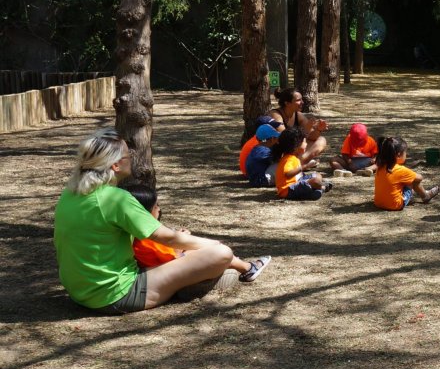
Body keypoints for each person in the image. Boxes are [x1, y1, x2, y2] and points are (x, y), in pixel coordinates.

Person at [53, 128, 242, 314]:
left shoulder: (69, 194)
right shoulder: (115, 198)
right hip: (117, 295)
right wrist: (212, 243)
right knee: (221, 253)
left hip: (79, 293)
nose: (132, 159)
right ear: (115, 165)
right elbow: (166, 238)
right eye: (128, 156)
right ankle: (190, 285)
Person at [123, 184, 271, 282]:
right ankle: (247, 268)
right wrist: (180, 246)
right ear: (146, 212)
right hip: (164, 275)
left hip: (158, 270)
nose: (159, 209)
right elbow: (171, 260)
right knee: (208, 252)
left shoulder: (131, 232)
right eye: (156, 206)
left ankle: (243, 266)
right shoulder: (147, 237)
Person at [373, 137, 439, 210]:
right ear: (398, 155)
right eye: (405, 153)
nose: (406, 155)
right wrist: (410, 174)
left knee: (403, 180)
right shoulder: (400, 170)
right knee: (413, 180)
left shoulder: (380, 166)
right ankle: (425, 196)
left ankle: (414, 192)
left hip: (378, 203)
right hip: (395, 205)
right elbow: (419, 178)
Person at [270, 88, 328, 168]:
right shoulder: (276, 115)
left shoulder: (298, 115)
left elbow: (312, 136)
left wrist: (318, 129)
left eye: (302, 99)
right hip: (279, 151)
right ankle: (297, 165)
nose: (302, 102)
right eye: (298, 100)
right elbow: (285, 139)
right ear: (287, 103)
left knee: (321, 140)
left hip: (292, 151)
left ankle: (299, 163)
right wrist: (305, 130)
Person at [273, 128, 332, 200]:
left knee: (317, 175)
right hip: (288, 190)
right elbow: (288, 174)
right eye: (304, 142)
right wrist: (306, 166)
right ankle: (322, 188)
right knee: (315, 181)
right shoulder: (288, 159)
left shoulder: (294, 157)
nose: (306, 144)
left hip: (297, 182)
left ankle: (317, 189)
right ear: (296, 146)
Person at [245, 123, 280, 188]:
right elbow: (277, 159)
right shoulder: (264, 152)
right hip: (261, 181)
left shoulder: (256, 148)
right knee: (281, 164)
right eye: (276, 138)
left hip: (254, 179)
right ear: (272, 139)